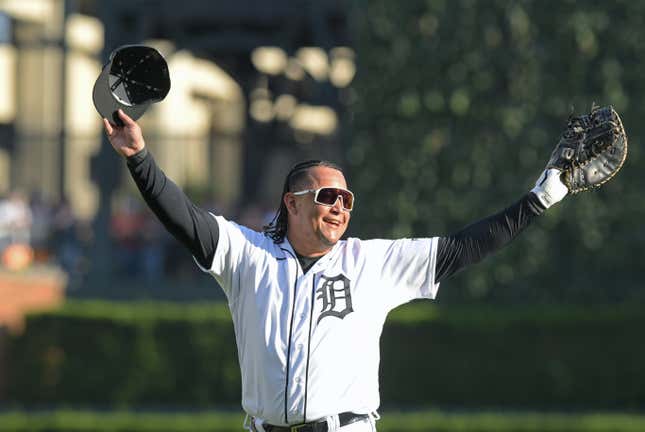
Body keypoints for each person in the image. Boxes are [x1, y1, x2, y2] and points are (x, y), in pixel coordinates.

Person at [103, 109, 567, 432]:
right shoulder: (249, 256)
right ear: (292, 203)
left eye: (347, 200)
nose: (340, 206)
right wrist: (139, 159)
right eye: (329, 196)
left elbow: (463, 247)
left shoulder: (371, 262)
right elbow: (183, 218)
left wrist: (539, 199)